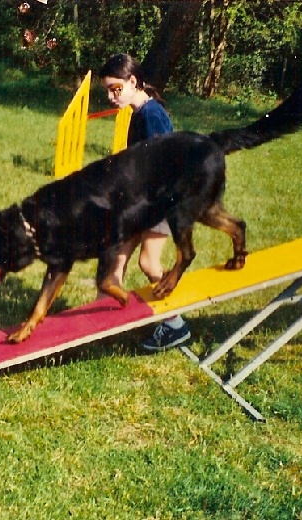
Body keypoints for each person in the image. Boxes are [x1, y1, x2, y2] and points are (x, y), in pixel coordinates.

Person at [97, 53, 190, 351]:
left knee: (149, 262)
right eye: (107, 91)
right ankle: (100, 319)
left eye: (116, 89)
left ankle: (175, 325)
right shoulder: (138, 114)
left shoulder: (151, 115)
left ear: (132, 81)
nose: (112, 96)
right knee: (115, 257)